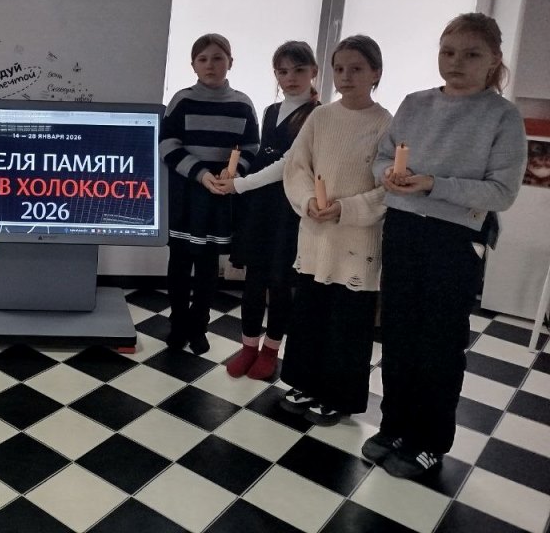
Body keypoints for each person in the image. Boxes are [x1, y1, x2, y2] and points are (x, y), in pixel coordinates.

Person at [365, 13, 526, 478]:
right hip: (403, 227)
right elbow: (382, 157)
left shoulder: (502, 116)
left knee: (438, 342)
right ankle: (394, 426)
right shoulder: (415, 103)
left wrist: (433, 184)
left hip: (455, 238)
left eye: (471, 54)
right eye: (448, 51)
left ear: (494, 59)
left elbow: (502, 193)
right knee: (398, 333)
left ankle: (429, 440)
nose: (456, 62)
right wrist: (388, 176)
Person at [280, 35, 391, 426]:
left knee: (348, 322)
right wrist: (308, 200)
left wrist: (347, 209)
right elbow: (297, 166)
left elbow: (388, 188)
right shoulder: (321, 117)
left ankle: (338, 396)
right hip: (316, 233)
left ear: (376, 73)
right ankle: (304, 381)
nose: (346, 76)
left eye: (356, 69)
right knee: (309, 313)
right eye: (339, 69)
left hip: (357, 238)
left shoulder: (386, 124)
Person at [211, 41, 320, 380]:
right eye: (283, 71)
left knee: (280, 282)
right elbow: (262, 157)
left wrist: (240, 185)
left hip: (289, 208)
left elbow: (288, 164)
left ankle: (271, 351)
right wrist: (235, 175)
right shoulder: (272, 110)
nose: (290, 78)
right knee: (254, 281)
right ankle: (248, 348)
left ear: (314, 72)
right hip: (260, 206)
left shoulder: (318, 114)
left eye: (299, 70)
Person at [160, 33, 259, 354]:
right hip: (187, 194)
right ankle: (178, 323)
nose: (210, 65)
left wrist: (233, 171)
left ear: (230, 62)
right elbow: (167, 144)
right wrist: (201, 174)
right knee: (179, 261)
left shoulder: (242, 104)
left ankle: (199, 326)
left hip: (220, 195)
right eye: (202, 59)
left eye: (218, 58)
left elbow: (251, 146)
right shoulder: (182, 100)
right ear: (193, 65)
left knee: (207, 266)